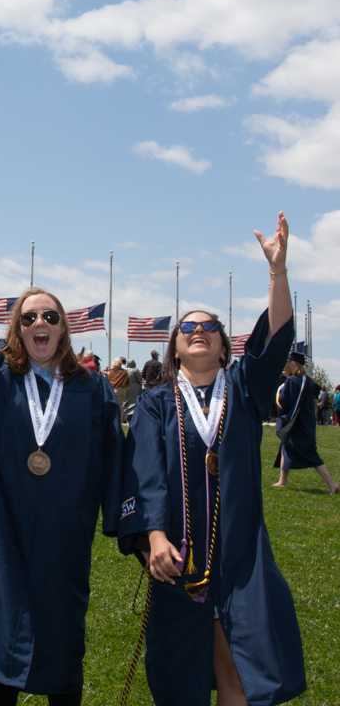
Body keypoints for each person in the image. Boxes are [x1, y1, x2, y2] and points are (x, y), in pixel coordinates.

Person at [0, 204, 123, 706]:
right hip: (1, 528)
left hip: (63, 533)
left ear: (63, 329)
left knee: (62, 637)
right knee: (1, 640)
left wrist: (138, 532)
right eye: (29, 316)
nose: (40, 322)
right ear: (17, 328)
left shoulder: (93, 391)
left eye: (49, 316)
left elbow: (115, 463)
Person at [117, 211, 306, 706]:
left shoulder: (244, 389)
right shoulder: (158, 401)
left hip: (239, 550)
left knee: (238, 666)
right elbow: (146, 473)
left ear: (225, 347)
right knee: (178, 676)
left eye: (209, 327)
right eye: (188, 327)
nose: (198, 330)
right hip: (179, 551)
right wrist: (154, 534)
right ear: (175, 349)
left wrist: (277, 274)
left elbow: (279, 336)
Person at [273, 352, 339, 493]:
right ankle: (282, 481)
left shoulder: (291, 382)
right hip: (307, 421)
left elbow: (285, 401)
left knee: (309, 454)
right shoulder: (308, 381)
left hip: (296, 423)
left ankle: (332, 484)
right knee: (286, 446)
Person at [108, 357, 130, 422]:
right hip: (121, 390)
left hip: (112, 390)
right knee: (120, 407)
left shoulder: (111, 372)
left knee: (112, 406)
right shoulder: (124, 372)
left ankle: (112, 420)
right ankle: (119, 421)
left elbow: (108, 381)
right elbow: (127, 382)